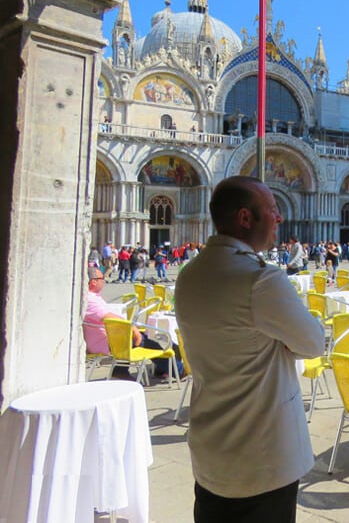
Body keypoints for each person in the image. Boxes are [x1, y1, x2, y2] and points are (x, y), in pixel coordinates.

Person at [175, 175, 325, 523]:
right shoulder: (260, 280)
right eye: (272, 210)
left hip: (212, 454)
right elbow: (313, 343)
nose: (279, 218)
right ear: (245, 218)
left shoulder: (190, 273)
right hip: (263, 460)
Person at [83, 267, 172, 377]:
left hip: (110, 339)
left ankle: (124, 371)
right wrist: (133, 328)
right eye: (102, 278)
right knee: (150, 344)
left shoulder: (91, 297)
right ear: (93, 282)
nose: (104, 280)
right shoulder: (90, 299)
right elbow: (109, 318)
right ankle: (179, 370)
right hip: (108, 343)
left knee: (145, 340)